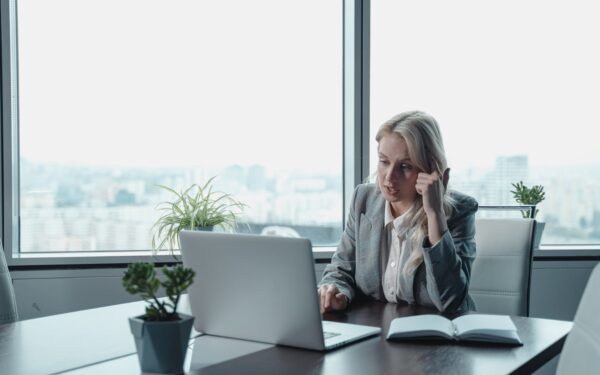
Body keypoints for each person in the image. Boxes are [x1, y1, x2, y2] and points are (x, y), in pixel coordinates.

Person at [318, 110, 478, 313]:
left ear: (431, 170)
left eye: (405, 166)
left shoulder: (459, 211)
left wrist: (435, 215)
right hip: (379, 334)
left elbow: (450, 301)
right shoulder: (364, 200)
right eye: (384, 162)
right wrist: (336, 291)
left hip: (438, 338)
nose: (389, 178)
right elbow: (341, 270)